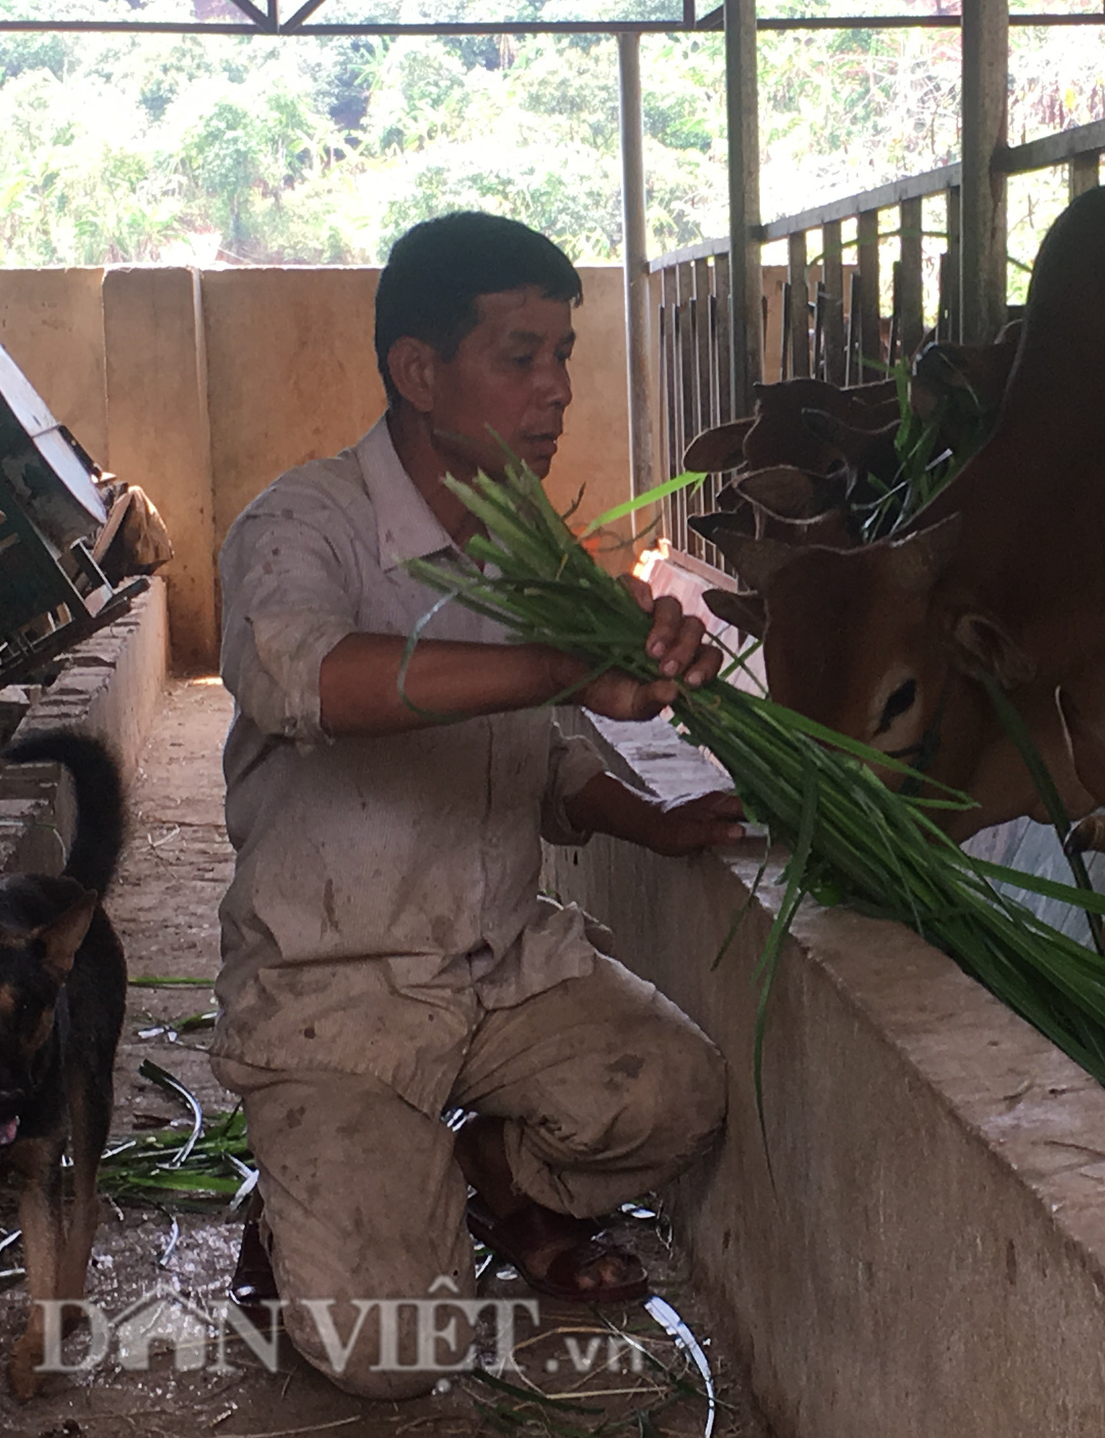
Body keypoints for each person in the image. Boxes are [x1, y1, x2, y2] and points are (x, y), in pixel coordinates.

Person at [212, 211, 743, 1398]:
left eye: (562, 352)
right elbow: (302, 676)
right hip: (334, 990)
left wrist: (639, 813)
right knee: (393, 1360)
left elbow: (537, 754)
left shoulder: (522, 547)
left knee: (675, 1093)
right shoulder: (306, 524)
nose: (555, 390)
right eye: (520, 357)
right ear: (417, 373)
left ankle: (497, 1181)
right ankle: (310, 1211)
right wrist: (563, 665)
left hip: (499, 968)